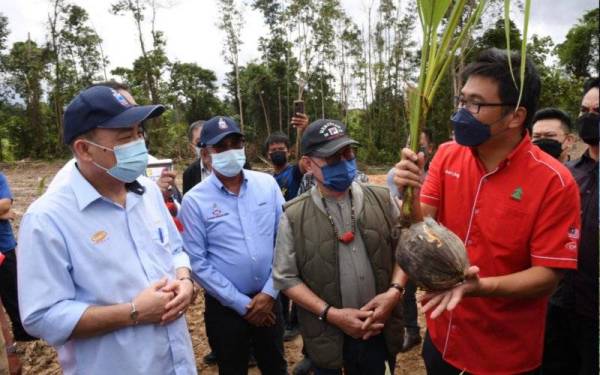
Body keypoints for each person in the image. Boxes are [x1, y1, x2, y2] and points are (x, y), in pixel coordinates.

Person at [394, 48, 581, 374]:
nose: (462, 113)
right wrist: (406, 192)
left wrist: (479, 288)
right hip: (442, 339)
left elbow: (548, 276)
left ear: (516, 116)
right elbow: (420, 227)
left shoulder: (555, 182)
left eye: (475, 104)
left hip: (504, 355)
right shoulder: (447, 155)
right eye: (461, 101)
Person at [17, 86, 197, 374]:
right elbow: (42, 316)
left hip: (177, 364)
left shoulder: (148, 192)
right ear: (84, 149)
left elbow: (175, 249)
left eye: (140, 132)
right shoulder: (48, 219)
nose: (139, 144)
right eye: (125, 137)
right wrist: (133, 313)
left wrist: (186, 281)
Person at [273, 119, 404, 374]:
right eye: (332, 158)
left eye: (348, 153)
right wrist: (331, 314)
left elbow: (405, 252)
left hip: (380, 330)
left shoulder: (382, 199)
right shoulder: (293, 215)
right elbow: (286, 277)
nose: (344, 162)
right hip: (327, 338)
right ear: (309, 164)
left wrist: (394, 293)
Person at [179, 116, 287, 375]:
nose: (231, 151)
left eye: (235, 143)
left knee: (275, 365)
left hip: (270, 301)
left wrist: (269, 293)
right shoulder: (195, 201)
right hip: (225, 307)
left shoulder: (266, 185)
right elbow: (196, 260)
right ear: (206, 154)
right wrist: (242, 304)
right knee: (232, 367)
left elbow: (284, 241)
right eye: (221, 147)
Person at [541, 78, 599, 375]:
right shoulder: (566, 175)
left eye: (598, 111)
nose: (590, 117)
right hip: (561, 305)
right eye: (584, 109)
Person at [385, 129, 436, 353]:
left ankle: (435, 334)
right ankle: (412, 330)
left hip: (433, 241)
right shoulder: (393, 174)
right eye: (411, 144)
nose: (415, 151)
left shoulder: (437, 174)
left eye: (421, 147)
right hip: (405, 237)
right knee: (405, 288)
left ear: (431, 149)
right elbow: (391, 205)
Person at [0, 172, 35, 347]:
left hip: (3, 247)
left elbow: (5, 204)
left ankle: (23, 334)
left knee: (13, 294)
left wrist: (4, 211)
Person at [183, 120, 211, 195]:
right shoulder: (189, 173)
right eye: (200, 142)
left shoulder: (228, 165)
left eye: (209, 139)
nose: (205, 145)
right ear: (192, 147)